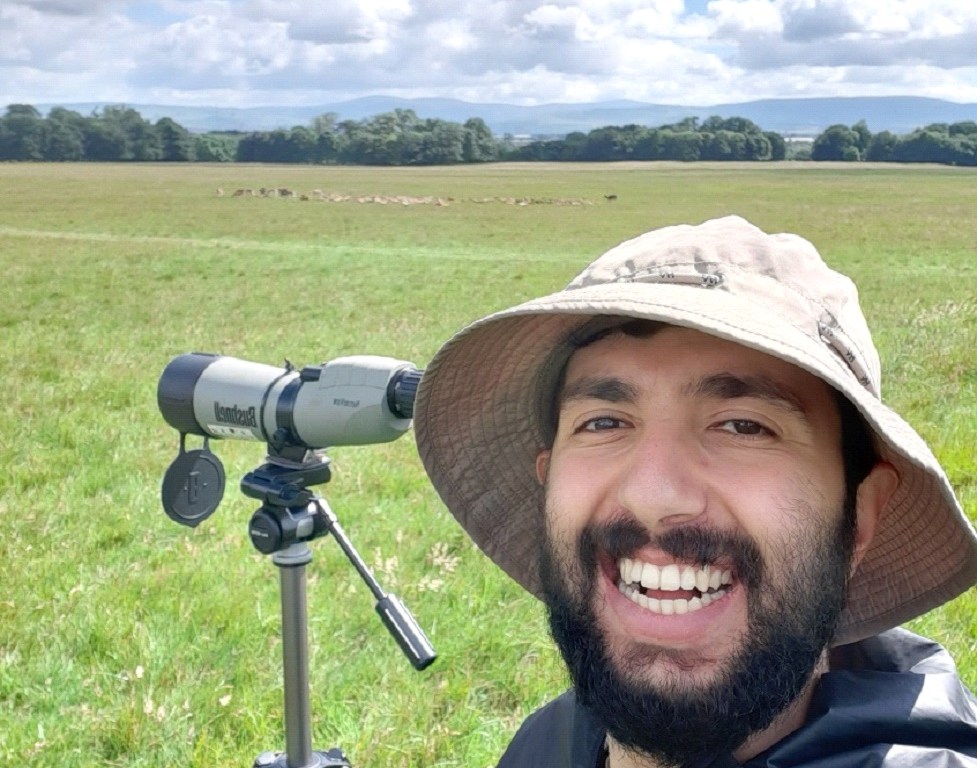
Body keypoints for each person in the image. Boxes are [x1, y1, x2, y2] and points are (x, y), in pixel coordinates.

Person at [412, 215, 977, 768]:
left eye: (743, 426)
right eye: (604, 422)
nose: (654, 496)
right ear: (547, 485)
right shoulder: (551, 740)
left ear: (859, 518)